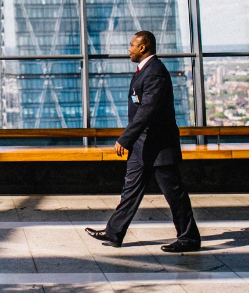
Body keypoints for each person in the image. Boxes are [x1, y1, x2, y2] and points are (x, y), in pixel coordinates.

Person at [85, 30, 201, 253]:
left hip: (158, 147)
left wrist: (125, 138)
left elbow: (147, 110)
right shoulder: (145, 71)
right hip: (143, 146)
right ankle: (114, 231)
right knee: (130, 189)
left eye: (131, 45)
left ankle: (189, 237)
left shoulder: (155, 72)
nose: (128, 49)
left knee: (174, 193)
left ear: (143, 47)